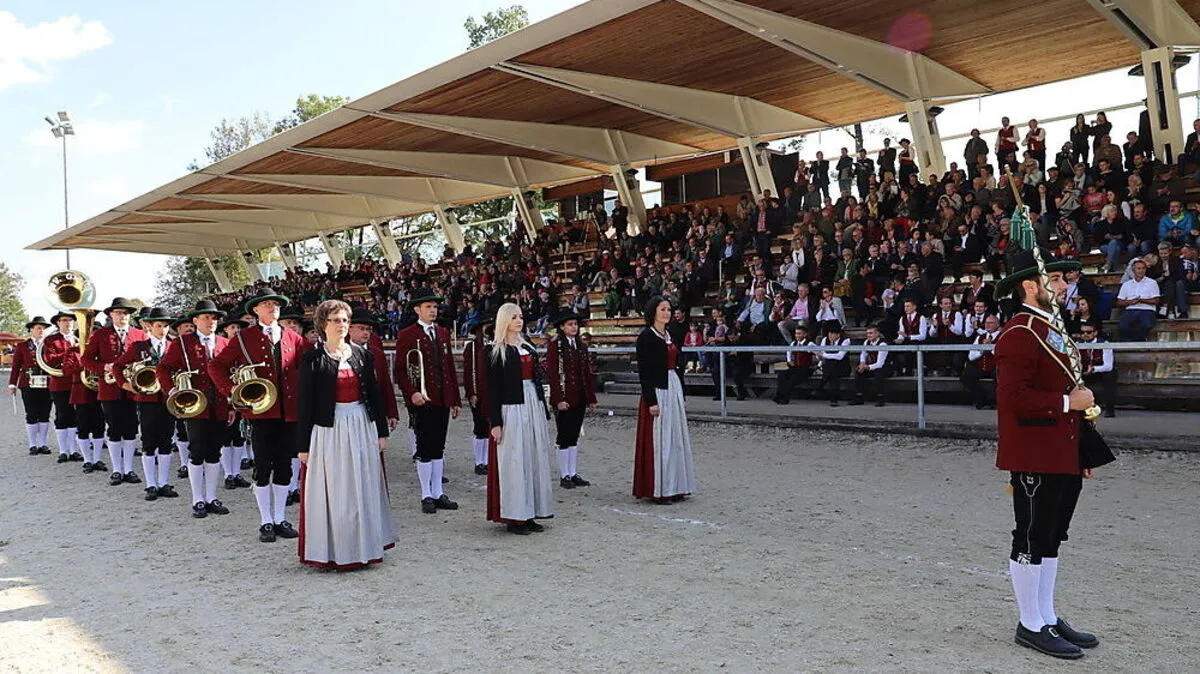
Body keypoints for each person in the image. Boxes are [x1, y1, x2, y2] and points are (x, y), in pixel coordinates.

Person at [993, 248, 1102, 660]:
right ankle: (1030, 623)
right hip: (1035, 450)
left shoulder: (1048, 327)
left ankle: (1047, 615)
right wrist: (1065, 404)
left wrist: (1083, 447)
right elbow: (1012, 397)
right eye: (1054, 280)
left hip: (1062, 448)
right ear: (1030, 285)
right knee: (1032, 534)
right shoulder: (1019, 333)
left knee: (1054, 535)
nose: (1062, 286)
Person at [296, 300, 395, 569]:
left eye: (345, 320)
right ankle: (337, 550)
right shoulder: (312, 360)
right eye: (336, 320)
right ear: (322, 325)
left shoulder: (362, 355)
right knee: (337, 489)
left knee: (362, 486)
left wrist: (381, 431)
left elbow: (374, 395)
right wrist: (303, 446)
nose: (342, 325)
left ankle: (365, 546)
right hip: (330, 430)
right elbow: (304, 405)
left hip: (361, 425)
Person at [210, 287, 310, 543]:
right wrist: (232, 390)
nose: (272, 308)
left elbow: (309, 366)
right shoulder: (244, 338)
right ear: (255, 310)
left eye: (275, 304)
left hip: (289, 412)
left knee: (285, 467)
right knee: (263, 466)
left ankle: (279, 517)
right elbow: (216, 365)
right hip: (259, 411)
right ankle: (265, 520)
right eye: (266, 304)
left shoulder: (293, 337)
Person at [158, 300, 233, 519]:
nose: (211, 321)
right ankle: (197, 499)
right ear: (195, 320)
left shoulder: (223, 343)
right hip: (193, 406)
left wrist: (231, 406)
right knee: (197, 451)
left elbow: (229, 373)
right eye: (206, 317)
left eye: (214, 318)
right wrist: (172, 391)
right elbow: (163, 368)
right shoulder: (182, 342)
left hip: (219, 404)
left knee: (214, 452)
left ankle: (211, 497)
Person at [486, 303, 555, 535]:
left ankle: (531, 512)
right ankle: (515, 516)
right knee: (515, 460)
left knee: (533, 457)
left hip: (532, 403)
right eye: (514, 317)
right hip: (511, 408)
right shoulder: (497, 350)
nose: (519, 321)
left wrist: (543, 411)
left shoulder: (527, 346)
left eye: (521, 317)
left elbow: (536, 380)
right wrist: (495, 422)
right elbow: (492, 389)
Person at [394, 288, 461, 515]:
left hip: (441, 397)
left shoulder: (442, 333)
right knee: (424, 446)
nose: (433, 311)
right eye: (428, 307)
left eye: (434, 307)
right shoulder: (407, 334)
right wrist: (412, 392)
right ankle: (426, 494)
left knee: (439, 446)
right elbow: (401, 370)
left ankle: (438, 491)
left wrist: (455, 399)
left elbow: (449, 367)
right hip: (422, 399)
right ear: (417, 309)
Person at [633, 297, 695, 504]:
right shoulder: (646, 338)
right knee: (661, 439)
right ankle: (660, 487)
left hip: (673, 386)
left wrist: (682, 392)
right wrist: (651, 401)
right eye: (663, 309)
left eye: (669, 309)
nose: (667, 313)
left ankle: (677, 485)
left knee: (675, 437)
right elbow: (644, 372)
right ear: (653, 312)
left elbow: (677, 365)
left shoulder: (672, 334)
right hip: (658, 390)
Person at [113, 307, 179, 501]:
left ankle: (164, 482)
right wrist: (125, 385)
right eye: (159, 325)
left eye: (166, 326)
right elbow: (118, 366)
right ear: (149, 326)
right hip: (147, 400)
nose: (163, 329)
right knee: (149, 441)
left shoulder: (175, 345)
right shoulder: (138, 347)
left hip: (169, 398)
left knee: (167, 440)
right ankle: (151, 484)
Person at [82, 298, 146, 487]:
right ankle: (117, 470)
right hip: (110, 388)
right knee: (115, 429)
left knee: (132, 429)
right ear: (111, 315)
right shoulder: (101, 334)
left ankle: (128, 469)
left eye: (126, 313)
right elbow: (86, 360)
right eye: (119, 313)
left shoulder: (139, 334)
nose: (122, 316)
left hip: (134, 388)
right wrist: (104, 367)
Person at [546, 310, 597, 489]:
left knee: (574, 436)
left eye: (575, 324)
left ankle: (572, 473)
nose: (573, 327)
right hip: (565, 396)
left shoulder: (581, 346)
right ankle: (564, 474)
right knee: (564, 435)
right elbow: (553, 374)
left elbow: (587, 373)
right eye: (570, 324)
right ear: (562, 327)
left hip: (579, 396)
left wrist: (590, 397)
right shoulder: (556, 346)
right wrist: (559, 398)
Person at [7, 315, 54, 456]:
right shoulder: (22, 346)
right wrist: (12, 384)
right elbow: (16, 366)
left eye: (43, 328)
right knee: (32, 413)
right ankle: (33, 444)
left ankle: (43, 444)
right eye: (39, 328)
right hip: (28, 382)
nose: (41, 331)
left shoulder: (49, 345)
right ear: (31, 330)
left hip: (46, 382)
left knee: (45, 414)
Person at [40, 312, 83, 462]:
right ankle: (63, 450)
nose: (68, 323)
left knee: (75, 416)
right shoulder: (51, 340)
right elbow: (50, 360)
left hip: (78, 382)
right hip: (60, 383)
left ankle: (73, 450)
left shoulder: (79, 339)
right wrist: (70, 352)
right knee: (62, 415)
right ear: (58, 323)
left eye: (70, 320)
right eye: (64, 320)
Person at [462, 315, 494, 475]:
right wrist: (471, 393)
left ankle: (487, 460)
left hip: (491, 392)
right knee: (479, 426)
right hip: (478, 392)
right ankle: (479, 461)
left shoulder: (494, 345)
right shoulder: (472, 348)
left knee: (489, 426)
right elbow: (468, 372)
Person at [961, 315, 1000, 409]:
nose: (987, 325)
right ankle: (981, 398)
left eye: (991, 323)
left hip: (995, 367)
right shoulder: (980, 337)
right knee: (966, 376)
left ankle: (993, 401)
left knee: (1000, 375)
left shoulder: (1002, 336)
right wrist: (982, 350)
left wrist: (990, 347)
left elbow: (1002, 354)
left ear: (997, 324)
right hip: (981, 366)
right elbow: (971, 356)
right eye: (986, 323)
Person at [1116, 259, 1159, 341]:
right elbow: (1119, 301)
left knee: (1146, 324)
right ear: (1133, 270)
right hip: (1131, 309)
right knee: (1122, 326)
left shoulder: (1152, 283)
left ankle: (1137, 342)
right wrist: (1131, 302)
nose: (1141, 271)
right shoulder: (1126, 284)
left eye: (1143, 268)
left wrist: (1142, 300)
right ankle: (1135, 342)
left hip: (1147, 310)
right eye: (1138, 268)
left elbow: (1156, 300)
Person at [1078, 326, 1116, 418]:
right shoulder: (1077, 344)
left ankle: (1110, 410)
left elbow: (1108, 366)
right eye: (1083, 332)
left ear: (1095, 333)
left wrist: (1094, 369)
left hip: (1100, 371)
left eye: (1088, 332)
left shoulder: (1104, 344)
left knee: (1109, 376)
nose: (1085, 334)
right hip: (1085, 370)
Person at [850, 325, 890, 406]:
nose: (869, 335)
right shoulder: (866, 342)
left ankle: (880, 398)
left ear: (877, 333)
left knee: (879, 373)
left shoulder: (882, 344)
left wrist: (867, 367)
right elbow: (863, 354)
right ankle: (859, 396)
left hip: (886, 367)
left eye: (871, 333)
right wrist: (862, 363)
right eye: (867, 333)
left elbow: (880, 363)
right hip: (873, 366)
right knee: (859, 371)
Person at [773, 325, 813, 404]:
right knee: (781, 375)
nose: (797, 335)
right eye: (796, 333)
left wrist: (818, 364)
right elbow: (789, 351)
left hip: (805, 368)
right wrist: (789, 360)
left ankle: (784, 398)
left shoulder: (810, 344)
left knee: (791, 380)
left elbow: (818, 353)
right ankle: (778, 395)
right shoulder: (794, 343)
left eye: (799, 333)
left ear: (805, 335)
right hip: (795, 367)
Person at [816, 321, 850, 406]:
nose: (830, 336)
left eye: (833, 334)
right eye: (829, 333)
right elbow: (821, 353)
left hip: (843, 367)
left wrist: (823, 355)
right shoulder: (825, 340)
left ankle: (821, 386)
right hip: (829, 369)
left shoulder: (845, 341)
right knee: (833, 373)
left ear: (838, 335)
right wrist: (820, 359)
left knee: (832, 368)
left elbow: (840, 356)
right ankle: (834, 398)